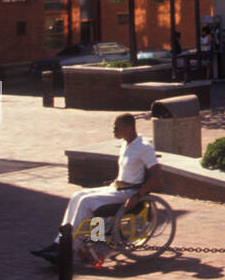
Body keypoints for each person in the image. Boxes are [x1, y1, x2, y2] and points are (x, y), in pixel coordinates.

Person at [31, 113, 161, 264]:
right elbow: (127, 172)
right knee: (77, 195)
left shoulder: (144, 147)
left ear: (128, 128)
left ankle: (69, 248)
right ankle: (59, 242)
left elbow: (156, 176)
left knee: (86, 202)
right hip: (117, 188)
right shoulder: (126, 145)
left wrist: (138, 195)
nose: (113, 130)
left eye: (116, 127)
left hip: (130, 193)